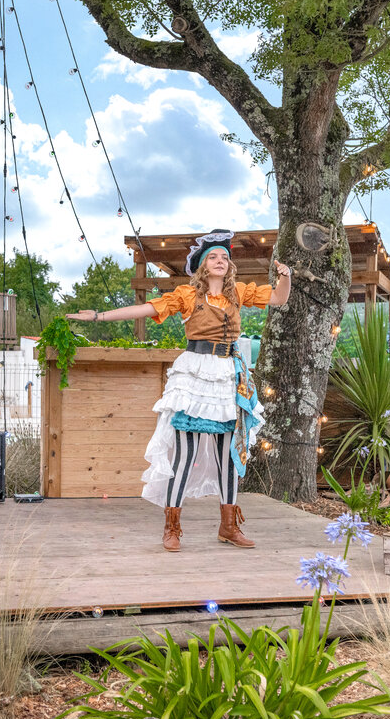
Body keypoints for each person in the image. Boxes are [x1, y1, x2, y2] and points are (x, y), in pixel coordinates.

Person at [67, 229, 290, 551]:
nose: (220, 261)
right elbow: (146, 309)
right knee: (183, 456)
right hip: (194, 375)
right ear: (202, 263)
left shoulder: (238, 292)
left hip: (228, 377)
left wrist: (286, 276)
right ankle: (172, 527)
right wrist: (99, 316)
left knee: (228, 454)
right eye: (213, 256)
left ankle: (229, 526)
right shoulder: (186, 295)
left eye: (224, 257)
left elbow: (279, 298)